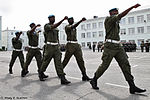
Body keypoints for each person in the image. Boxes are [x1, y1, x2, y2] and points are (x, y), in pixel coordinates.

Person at [90, 4, 146, 94]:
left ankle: (132, 86)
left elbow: (109, 33)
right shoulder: (109, 19)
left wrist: (105, 42)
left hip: (118, 46)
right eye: (115, 12)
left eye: (117, 12)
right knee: (105, 65)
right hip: (110, 47)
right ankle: (94, 79)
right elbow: (121, 16)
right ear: (111, 13)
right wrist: (132, 7)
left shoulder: (115, 23)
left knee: (125, 64)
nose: (117, 13)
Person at [38, 15, 70, 85]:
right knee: (46, 61)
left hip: (56, 47)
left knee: (58, 62)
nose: (53, 19)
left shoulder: (56, 28)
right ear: (49, 19)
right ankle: (41, 73)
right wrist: (62, 20)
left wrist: (58, 44)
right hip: (49, 46)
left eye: (54, 18)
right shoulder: (46, 26)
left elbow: (57, 37)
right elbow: (53, 27)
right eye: (52, 18)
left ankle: (62, 78)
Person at [62, 17, 91, 81]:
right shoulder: (67, 27)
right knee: (66, 60)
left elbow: (74, 26)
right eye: (71, 20)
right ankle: (60, 73)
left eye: (73, 20)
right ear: (68, 21)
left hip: (76, 45)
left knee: (80, 60)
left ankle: (84, 75)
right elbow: (73, 26)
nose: (72, 20)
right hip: (70, 45)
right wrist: (80, 20)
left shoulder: (74, 27)